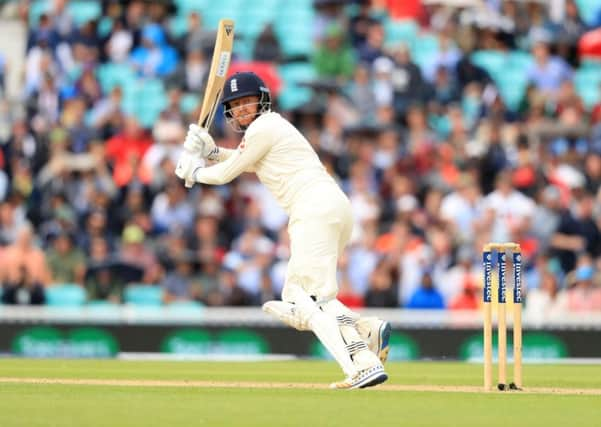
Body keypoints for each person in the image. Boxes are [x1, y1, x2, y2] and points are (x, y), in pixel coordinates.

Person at [175, 72, 390, 389]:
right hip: (333, 207)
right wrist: (210, 152)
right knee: (305, 293)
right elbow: (246, 160)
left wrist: (194, 171)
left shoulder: (264, 127)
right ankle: (364, 330)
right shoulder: (269, 130)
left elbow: (226, 175)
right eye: (236, 105)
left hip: (313, 208)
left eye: (247, 101)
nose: (243, 109)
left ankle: (360, 363)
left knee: (305, 296)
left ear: (261, 99)